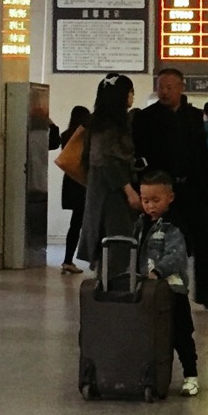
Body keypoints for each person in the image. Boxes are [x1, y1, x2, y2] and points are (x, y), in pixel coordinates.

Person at [133, 68, 208, 311]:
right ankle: (161, 290)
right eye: (161, 86)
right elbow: (139, 156)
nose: (165, 91)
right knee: (162, 242)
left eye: (170, 86)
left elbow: (202, 154)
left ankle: (203, 291)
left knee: (205, 237)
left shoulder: (194, 116)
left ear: (181, 87)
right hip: (162, 192)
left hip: (193, 189)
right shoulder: (146, 118)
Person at [135, 170, 200, 397]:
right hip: (149, 293)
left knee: (181, 334)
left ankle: (191, 375)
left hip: (173, 291)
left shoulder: (174, 226)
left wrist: (158, 271)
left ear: (170, 198)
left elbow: (177, 256)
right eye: (145, 201)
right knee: (150, 334)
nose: (150, 206)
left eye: (156, 200)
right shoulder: (141, 224)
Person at [77, 73, 140, 269]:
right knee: (117, 241)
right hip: (111, 194)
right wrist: (129, 191)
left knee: (113, 242)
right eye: (130, 92)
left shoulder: (101, 122)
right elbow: (107, 162)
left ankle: (109, 285)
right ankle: (113, 289)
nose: (132, 97)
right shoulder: (108, 127)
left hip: (104, 191)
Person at [57, 104, 90, 273]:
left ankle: (67, 260)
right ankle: (92, 259)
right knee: (87, 222)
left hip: (70, 181)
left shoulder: (65, 135)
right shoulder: (85, 136)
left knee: (75, 223)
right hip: (83, 182)